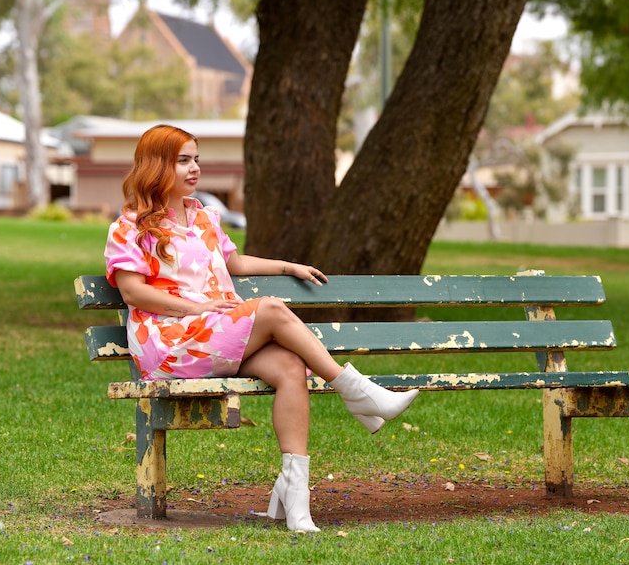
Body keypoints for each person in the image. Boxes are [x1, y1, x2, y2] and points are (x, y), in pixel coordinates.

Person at [104, 124, 418, 532]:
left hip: (213, 332)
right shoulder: (129, 226)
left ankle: (295, 497)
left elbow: (234, 263)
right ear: (156, 165)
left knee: (289, 365)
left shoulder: (202, 216)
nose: (194, 168)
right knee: (269, 308)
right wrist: (196, 306)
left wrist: (288, 266)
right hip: (170, 343)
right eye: (183, 160)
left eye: (196, 159)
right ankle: (357, 392)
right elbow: (134, 294)